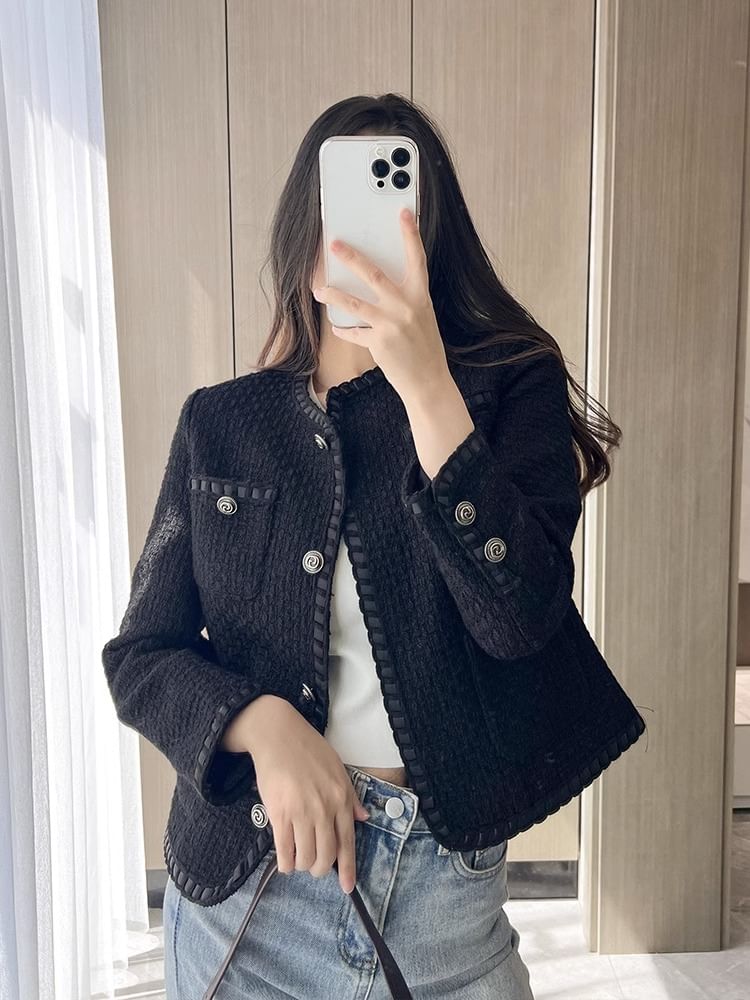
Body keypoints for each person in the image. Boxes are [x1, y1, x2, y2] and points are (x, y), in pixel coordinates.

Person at [102, 93, 646, 1000]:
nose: (360, 240)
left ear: (430, 240)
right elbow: (140, 656)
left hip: (446, 903)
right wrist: (259, 723)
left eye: (392, 212)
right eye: (341, 208)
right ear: (304, 237)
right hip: (250, 901)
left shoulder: (510, 389)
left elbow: (521, 621)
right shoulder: (222, 425)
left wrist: (429, 388)